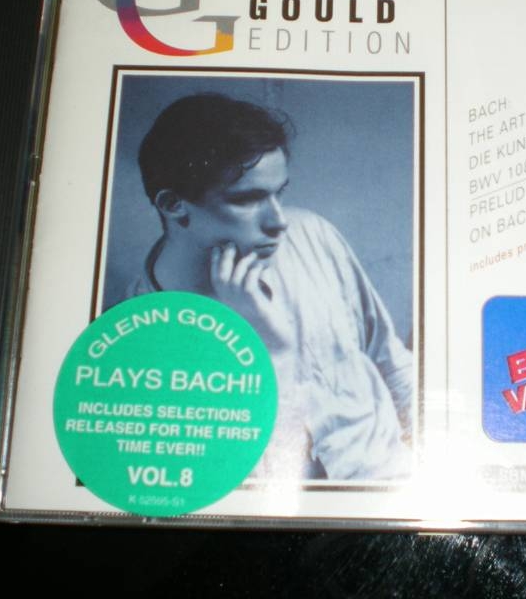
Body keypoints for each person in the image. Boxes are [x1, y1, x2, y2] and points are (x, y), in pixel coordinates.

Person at [127, 92, 413, 480]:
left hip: (398, 480)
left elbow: (390, 361)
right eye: (247, 200)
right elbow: (236, 482)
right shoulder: (143, 342)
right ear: (173, 204)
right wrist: (269, 348)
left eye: (279, 193)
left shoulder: (312, 234)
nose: (279, 222)